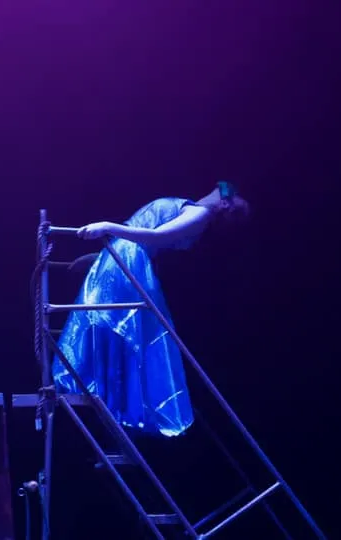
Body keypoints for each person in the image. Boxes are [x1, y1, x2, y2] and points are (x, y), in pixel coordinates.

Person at [53, 183, 250, 438]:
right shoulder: (192, 208)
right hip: (120, 255)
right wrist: (101, 256)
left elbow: (153, 236)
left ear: (224, 204)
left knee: (117, 334)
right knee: (108, 335)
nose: (216, 187)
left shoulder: (199, 215)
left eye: (224, 192)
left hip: (128, 260)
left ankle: (114, 422)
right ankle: (110, 421)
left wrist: (106, 227)